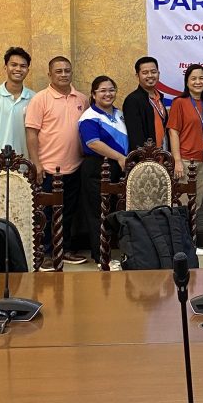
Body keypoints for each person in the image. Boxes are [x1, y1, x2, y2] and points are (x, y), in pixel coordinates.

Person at [25, 56, 89, 266]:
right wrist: (37, 164)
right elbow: (31, 133)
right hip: (48, 168)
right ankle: (44, 254)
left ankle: (66, 250)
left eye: (67, 71)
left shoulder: (81, 99)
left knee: (69, 212)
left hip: (75, 167)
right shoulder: (40, 99)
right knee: (46, 214)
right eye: (59, 71)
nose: (63, 74)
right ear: (50, 74)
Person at [166, 64, 203, 257]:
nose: (198, 82)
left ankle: (191, 244)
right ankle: (180, 246)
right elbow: (173, 132)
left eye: (201, 78)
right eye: (193, 78)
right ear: (187, 82)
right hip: (186, 161)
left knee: (196, 205)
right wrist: (177, 160)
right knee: (182, 206)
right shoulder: (180, 102)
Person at [78, 75, 128, 265]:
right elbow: (93, 143)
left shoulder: (119, 113)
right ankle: (101, 257)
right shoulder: (89, 116)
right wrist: (119, 157)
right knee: (98, 213)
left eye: (111, 90)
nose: (108, 94)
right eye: (103, 91)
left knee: (114, 211)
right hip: (97, 168)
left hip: (118, 168)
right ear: (93, 94)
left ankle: (115, 251)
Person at [123, 56, 169, 152]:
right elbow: (135, 136)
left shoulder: (159, 97)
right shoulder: (132, 100)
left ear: (158, 74)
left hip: (163, 154)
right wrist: (146, 160)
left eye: (153, 72)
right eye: (145, 73)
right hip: (147, 158)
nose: (150, 75)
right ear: (137, 76)